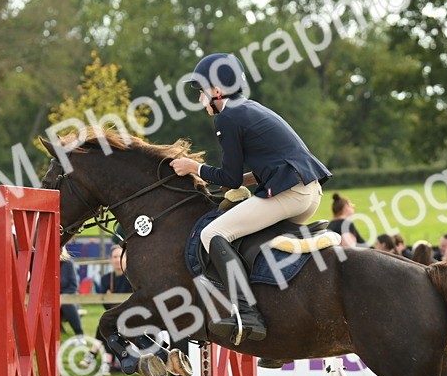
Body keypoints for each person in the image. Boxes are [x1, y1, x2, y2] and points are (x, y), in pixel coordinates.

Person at [170, 52, 330, 344]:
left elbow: (229, 178)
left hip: (291, 194)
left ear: (217, 91)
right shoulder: (249, 108)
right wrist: (235, 180)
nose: (200, 100)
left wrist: (195, 168)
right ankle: (280, 318)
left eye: (202, 92)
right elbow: (257, 170)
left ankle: (248, 313)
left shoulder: (228, 116)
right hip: (308, 192)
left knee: (213, 233)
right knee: (249, 242)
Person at [96, 244, 132, 309]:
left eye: (121, 256)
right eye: (115, 257)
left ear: (126, 258)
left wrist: (112, 297)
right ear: (110, 259)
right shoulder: (105, 279)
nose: (118, 260)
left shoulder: (132, 278)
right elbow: (105, 304)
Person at [59, 250, 85, 337]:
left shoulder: (68, 263)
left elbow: (73, 286)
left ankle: (79, 334)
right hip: (51, 300)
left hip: (69, 297)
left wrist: (61, 298)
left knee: (67, 304)